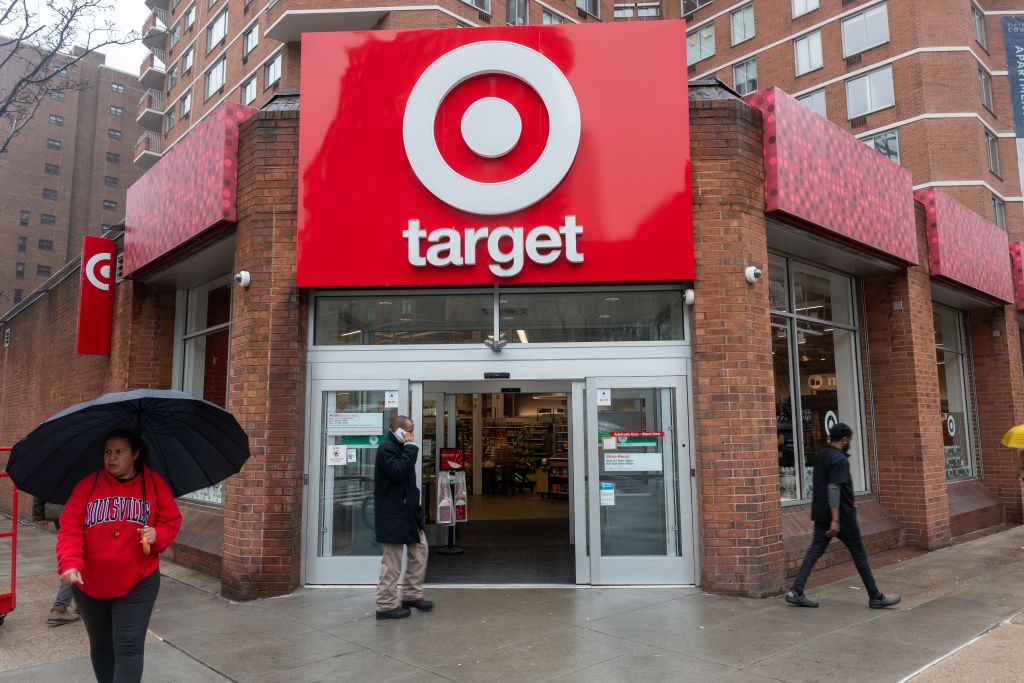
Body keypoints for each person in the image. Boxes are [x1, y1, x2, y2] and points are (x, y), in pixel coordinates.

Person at [56, 428, 182, 682]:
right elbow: (69, 528)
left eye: (119, 452)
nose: (111, 458)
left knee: (128, 645)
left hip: (138, 581)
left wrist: (158, 534)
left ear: (135, 454)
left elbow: (171, 521)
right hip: (90, 582)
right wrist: (69, 563)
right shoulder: (88, 486)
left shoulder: (154, 483)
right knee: (102, 646)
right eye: (107, 452)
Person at [786, 423, 901, 610]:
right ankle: (876, 596)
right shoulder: (839, 459)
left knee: (814, 551)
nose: (851, 442)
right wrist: (836, 519)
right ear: (844, 439)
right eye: (850, 439)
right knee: (859, 555)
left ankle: (796, 591)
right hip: (841, 518)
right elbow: (833, 488)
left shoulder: (821, 455)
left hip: (822, 515)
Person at [374, 415, 432, 620]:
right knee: (392, 561)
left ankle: (412, 594)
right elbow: (398, 472)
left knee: (420, 550)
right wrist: (410, 448)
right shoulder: (387, 448)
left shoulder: (399, 448)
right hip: (393, 514)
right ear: (399, 431)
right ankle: (385, 604)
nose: (412, 434)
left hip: (408, 512)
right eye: (410, 430)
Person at [33, 497, 80, 626]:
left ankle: (81, 604)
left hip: (55, 510)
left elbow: (39, 487)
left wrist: (39, 513)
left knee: (73, 553)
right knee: (76, 555)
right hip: (73, 509)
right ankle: (60, 607)